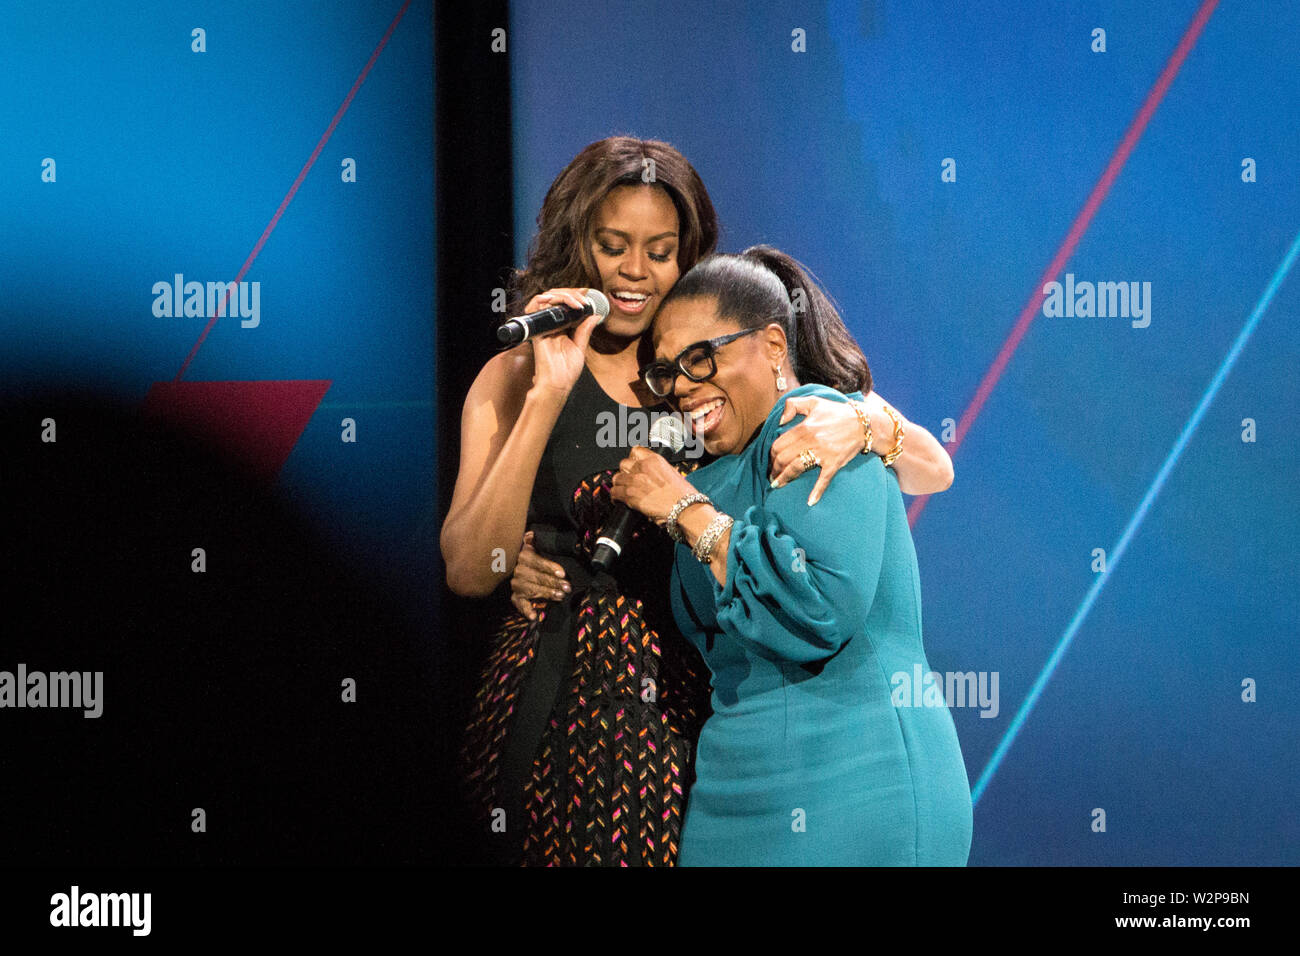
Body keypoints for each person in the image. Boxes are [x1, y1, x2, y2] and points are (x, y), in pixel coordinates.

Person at [440, 137, 954, 866]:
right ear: (575, 243)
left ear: (690, 259)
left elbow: (932, 469)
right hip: (556, 698)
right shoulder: (518, 372)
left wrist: (865, 420)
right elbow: (470, 567)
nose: (633, 272)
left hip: (696, 713)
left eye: (660, 250)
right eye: (611, 245)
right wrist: (547, 393)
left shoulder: (719, 359)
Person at [609, 247, 973, 865]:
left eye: (703, 358)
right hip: (735, 784)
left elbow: (814, 608)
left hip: (854, 778)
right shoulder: (709, 471)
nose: (685, 388)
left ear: (774, 346)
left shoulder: (814, 425)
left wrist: (686, 513)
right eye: (669, 373)